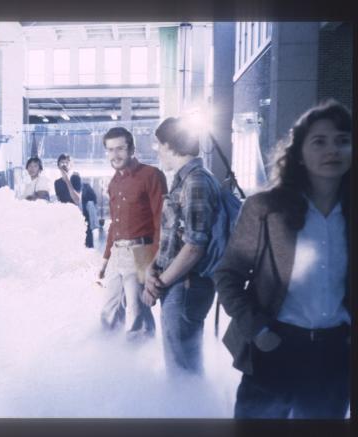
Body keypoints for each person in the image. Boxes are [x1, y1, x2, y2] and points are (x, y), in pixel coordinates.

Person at [214, 100, 351, 419]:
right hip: (276, 344)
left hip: (334, 353)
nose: (333, 149)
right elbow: (228, 275)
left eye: (343, 140)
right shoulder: (265, 209)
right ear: (300, 153)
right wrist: (259, 332)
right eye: (319, 141)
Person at [142, 117, 220, 375]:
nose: (158, 151)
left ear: (171, 145)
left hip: (186, 286)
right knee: (179, 362)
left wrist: (159, 282)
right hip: (177, 284)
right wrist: (152, 271)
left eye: (159, 145)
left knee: (183, 368)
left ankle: (192, 415)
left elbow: (195, 245)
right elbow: (172, 239)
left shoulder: (196, 181)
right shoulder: (184, 179)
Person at [98, 127, 167, 341]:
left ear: (132, 149)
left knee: (138, 314)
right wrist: (105, 259)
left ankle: (140, 366)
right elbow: (114, 225)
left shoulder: (151, 175)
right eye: (110, 150)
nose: (115, 155)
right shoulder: (113, 182)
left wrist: (153, 263)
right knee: (108, 312)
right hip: (117, 252)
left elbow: (162, 222)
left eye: (120, 148)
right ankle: (110, 360)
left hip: (141, 251)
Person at [71, 174, 98, 248]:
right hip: (76, 215)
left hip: (86, 213)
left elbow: (94, 198)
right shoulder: (71, 189)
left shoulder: (86, 187)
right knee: (79, 232)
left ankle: (89, 247)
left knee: (88, 232)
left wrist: (87, 203)